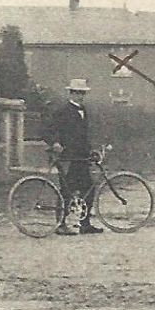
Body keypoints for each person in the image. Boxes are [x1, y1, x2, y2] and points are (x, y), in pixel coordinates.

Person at [45, 79, 100, 235]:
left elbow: (83, 136)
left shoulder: (84, 111)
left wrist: (90, 151)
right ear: (71, 93)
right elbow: (47, 129)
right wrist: (55, 142)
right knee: (67, 190)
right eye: (77, 93)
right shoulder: (62, 111)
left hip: (81, 158)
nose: (80, 96)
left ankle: (85, 224)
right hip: (67, 158)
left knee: (88, 188)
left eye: (82, 93)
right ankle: (61, 224)